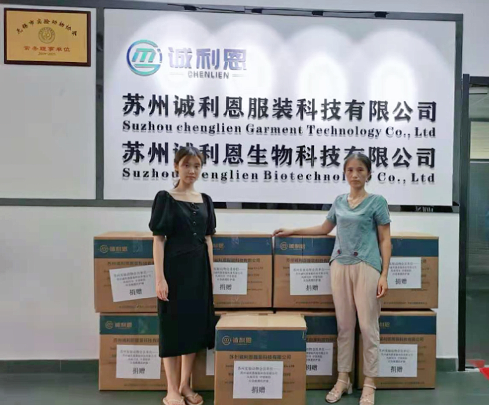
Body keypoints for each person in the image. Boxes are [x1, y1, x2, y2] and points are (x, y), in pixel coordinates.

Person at [273, 153, 391, 405]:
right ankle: (343, 379)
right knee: (344, 327)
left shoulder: (377, 202)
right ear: (345, 173)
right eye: (350, 170)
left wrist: (384, 274)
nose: (355, 175)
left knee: (368, 328)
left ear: (369, 173)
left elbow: (385, 239)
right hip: (339, 265)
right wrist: (293, 230)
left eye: (360, 170)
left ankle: (370, 383)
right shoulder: (339, 201)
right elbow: (324, 228)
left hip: (367, 266)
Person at [149, 146, 217, 405]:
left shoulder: (206, 200)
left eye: (197, 166)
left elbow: (208, 240)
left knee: (193, 328)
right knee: (171, 328)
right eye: (187, 165)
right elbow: (158, 240)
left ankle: (185, 385)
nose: (192, 170)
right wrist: (160, 278)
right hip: (174, 271)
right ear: (176, 166)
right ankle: (171, 390)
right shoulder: (165, 198)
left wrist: (211, 276)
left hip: (198, 272)